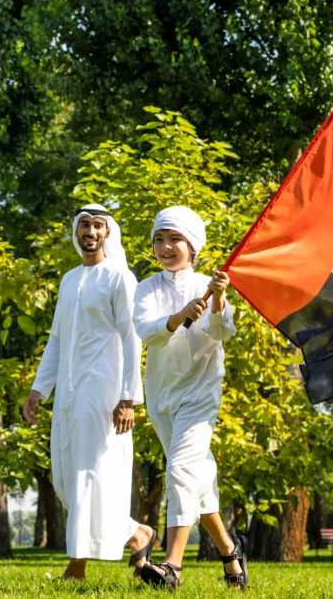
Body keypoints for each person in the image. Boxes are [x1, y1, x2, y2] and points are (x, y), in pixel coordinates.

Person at [22, 204, 156, 581]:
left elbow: (132, 338)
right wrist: (38, 389)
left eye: (98, 225)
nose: (91, 232)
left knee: (89, 472)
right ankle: (136, 533)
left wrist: (128, 398)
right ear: (76, 233)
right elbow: (56, 340)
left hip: (103, 390)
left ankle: (77, 565)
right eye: (85, 225)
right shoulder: (69, 280)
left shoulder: (119, 277)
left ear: (108, 232)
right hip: (68, 390)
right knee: (65, 475)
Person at [132, 206, 247, 590]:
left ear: (193, 246)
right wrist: (179, 314)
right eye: (159, 239)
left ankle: (172, 567)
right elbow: (147, 332)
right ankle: (231, 554)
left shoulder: (210, 284)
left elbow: (222, 332)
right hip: (161, 395)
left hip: (200, 394)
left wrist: (217, 299)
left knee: (180, 470)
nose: (166, 247)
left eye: (175, 239)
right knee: (195, 480)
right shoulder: (146, 288)